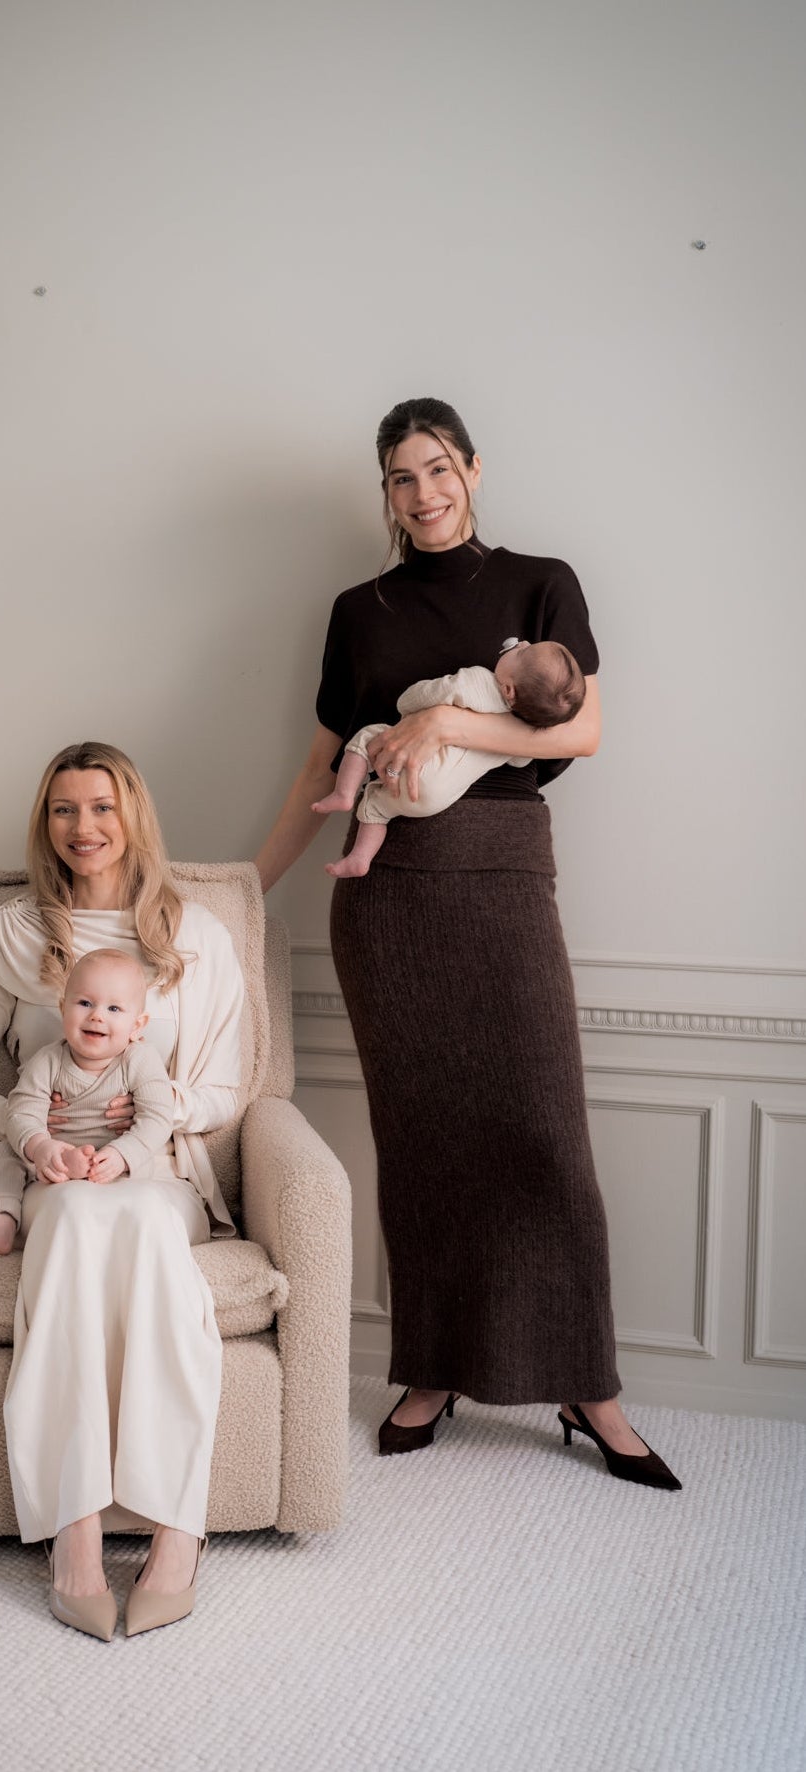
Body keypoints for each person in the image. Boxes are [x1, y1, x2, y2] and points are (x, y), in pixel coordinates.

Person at [255, 396, 680, 1491]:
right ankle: (432, 1366)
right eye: (402, 477)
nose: (424, 493)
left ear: (473, 469)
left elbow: (579, 728)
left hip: (499, 873)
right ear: (385, 492)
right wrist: (239, 890)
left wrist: (446, 724)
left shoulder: (541, 582)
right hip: (386, 897)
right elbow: (318, 773)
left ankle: (588, 1384)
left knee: (545, 1131)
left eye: (438, 468)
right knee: (425, 1141)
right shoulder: (360, 609)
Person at [0, 741, 245, 1640]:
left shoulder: (198, 934)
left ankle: (178, 1531)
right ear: (46, 822)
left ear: (133, 813)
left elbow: (229, 1090)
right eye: (65, 810)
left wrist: (139, 1125)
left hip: (159, 1174)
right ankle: (73, 1533)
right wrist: (32, 1135)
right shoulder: (17, 933)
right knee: (63, 1220)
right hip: (53, 1175)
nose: (84, 828)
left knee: (141, 1223)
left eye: (101, 807)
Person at [0, 948, 175, 1256]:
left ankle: (110, 1195)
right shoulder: (48, 1060)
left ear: (137, 1026)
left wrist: (123, 1154)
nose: (97, 1015)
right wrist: (40, 1147)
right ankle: (4, 1223)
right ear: (63, 1008)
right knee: (0, 1154)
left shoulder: (139, 1059)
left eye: (114, 1008)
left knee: (143, 1160)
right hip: (54, 1158)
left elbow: (157, 1117)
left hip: (112, 1158)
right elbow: (21, 1111)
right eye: (85, 1003)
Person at [311, 638, 585, 877]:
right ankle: (361, 859)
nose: (521, 644)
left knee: (367, 739)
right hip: (437, 800)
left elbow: (427, 694)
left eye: (523, 652)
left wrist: (406, 705)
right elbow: (520, 762)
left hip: (413, 768)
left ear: (509, 690)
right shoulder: (515, 740)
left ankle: (344, 794)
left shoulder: (478, 681)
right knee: (379, 807)